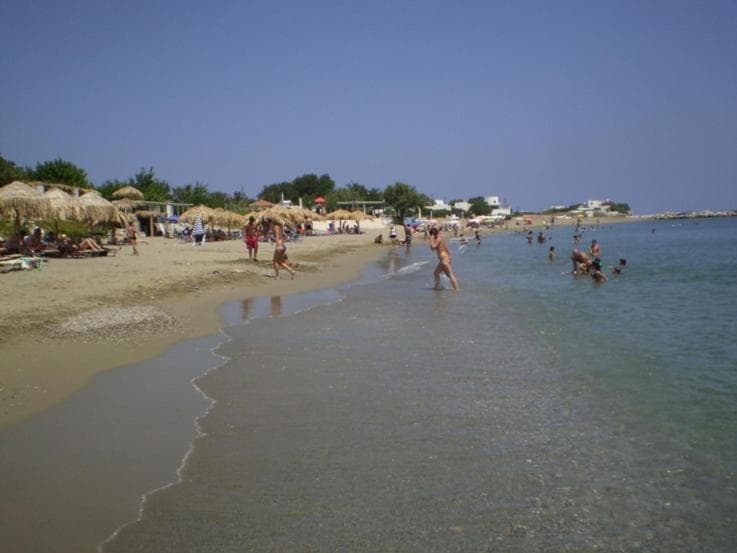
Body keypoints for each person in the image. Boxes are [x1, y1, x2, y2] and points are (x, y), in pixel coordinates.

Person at [429, 226, 459, 291]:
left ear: (433, 234)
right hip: (444, 259)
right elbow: (446, 248)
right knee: (436, 273)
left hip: (444, 260)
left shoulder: (438, 239)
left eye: (431, 235)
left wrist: (431, 239)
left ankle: (457, 290)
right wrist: (449, 257)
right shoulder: (441, 238)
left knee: (450, 275)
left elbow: (432, 247)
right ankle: (437, 287)